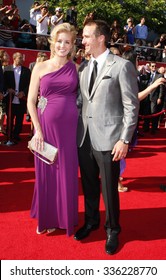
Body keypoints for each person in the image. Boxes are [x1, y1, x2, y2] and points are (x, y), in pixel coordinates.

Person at [74, 20, 139, 255]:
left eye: (86, 36)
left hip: (110, 138)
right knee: (89, 184)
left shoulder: (122, 66)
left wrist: (124, 139)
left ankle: (112, 229)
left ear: (101, 38)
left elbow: (131, 106)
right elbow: (81, 102)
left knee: (109, 188)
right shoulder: (82, 67)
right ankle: (91, 221)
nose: (83, 41)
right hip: (84, 138)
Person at [27, 23, 79, 236]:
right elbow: (31, 101)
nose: (62, 46)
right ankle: (46, 218)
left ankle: (65, 217)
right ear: (52, 42)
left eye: (67, 42)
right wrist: (37, 130)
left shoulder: (76, 68)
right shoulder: (40, 66)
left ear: (72, 45)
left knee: (66, 172)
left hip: (70, 128)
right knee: (47, 171)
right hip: (45, 128)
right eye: (59, 41)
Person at [3, 52, 31, 142]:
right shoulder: (7, 70)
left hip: (21, 100)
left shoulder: (27, 71)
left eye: (22, 58)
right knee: (9, 118)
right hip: (10, 99)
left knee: (19, 119)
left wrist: (23, 92)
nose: (22, 59)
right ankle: (9, 134)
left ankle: (16, 134)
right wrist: (8, 89)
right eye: (20, 58)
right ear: (14, 58)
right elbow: (3, 83)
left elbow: (30, 84)